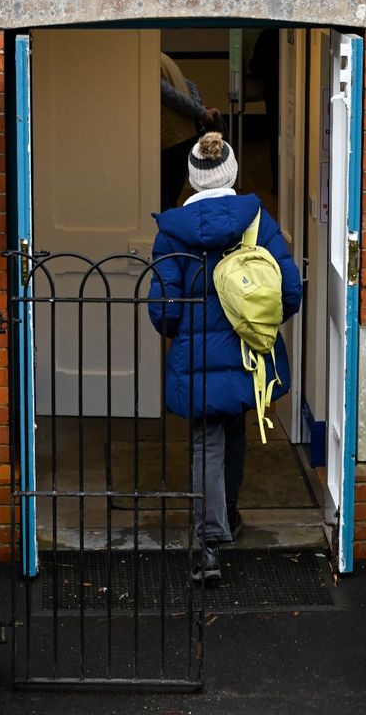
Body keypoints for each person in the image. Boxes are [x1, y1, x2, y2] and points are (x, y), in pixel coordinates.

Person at [146, 131, 302, 586]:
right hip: (249, 350)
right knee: (235, 430)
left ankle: (209, 546)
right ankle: (229, 517)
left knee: (205, 440)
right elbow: (289, 289)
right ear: (231, 172)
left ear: (192, 179)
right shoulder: (256, 220)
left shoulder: (171, 231)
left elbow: (163, 308)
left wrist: (181, 333)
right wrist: (261, 326)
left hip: (195, 355)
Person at [160, 52, 221, 211]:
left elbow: (170, 96)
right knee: (170, 197)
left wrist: (201, 113)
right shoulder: (163, 58)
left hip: (170, 138)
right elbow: (191, 85)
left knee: (162, 200)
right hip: (187, 135)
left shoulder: (147, 63)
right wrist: (199, 111)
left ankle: (167, 234)